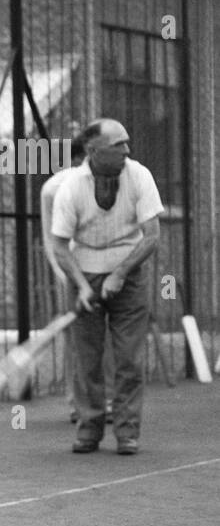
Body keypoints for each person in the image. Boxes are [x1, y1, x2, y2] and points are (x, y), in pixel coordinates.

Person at [49, 118, 162, 455]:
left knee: (128, 359)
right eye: (119, 144)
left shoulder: (139, 175)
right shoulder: (70, 187)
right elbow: (58, 245)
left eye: (127, 142)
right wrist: (83, 286)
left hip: (130, 273)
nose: (127, 150)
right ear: (94, 150)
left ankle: (127, 433)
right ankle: (89, 430)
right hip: (84, 273)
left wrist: (120, 273)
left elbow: (152, 235)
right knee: (88, 361)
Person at [41, 132, 87, 420]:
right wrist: (67, 276)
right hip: (73, 271)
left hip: (90, 269)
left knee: (87, 337)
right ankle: (80, 403)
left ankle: (85, 402)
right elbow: (53, 239)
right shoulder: (55, 188)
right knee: (81, 337)